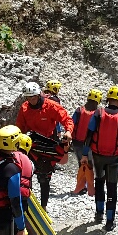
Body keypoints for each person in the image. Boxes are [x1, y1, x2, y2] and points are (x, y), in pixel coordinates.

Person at [16, 81, 73, 210]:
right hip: (31, 145)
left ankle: (43, 206)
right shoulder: (24, 108)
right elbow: (20, 126)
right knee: (25, 173)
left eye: (33, 97)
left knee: (44, 178)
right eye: (29, 97)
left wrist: (68, 131)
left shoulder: (51, 106)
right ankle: (25, 202)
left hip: (47, 145)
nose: (31, 100)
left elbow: (67, 119)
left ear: (39, 95)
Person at [85, 85, 118, 231]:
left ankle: (99, 214)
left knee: (99, 183)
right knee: (112, 187)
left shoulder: (98, 113)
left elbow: (88, 135)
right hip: (113, 158)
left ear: (108, 98)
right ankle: (109, 221)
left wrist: (84, 154)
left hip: (97, 156)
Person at [69, 88, 102, 195]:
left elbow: (72, 123)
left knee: (81, 164)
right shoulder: (98, 114)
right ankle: (90, 187)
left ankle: (81, 186)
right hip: (90, 144)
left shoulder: (79, 110)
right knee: (90, 165)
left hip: (77, 142)